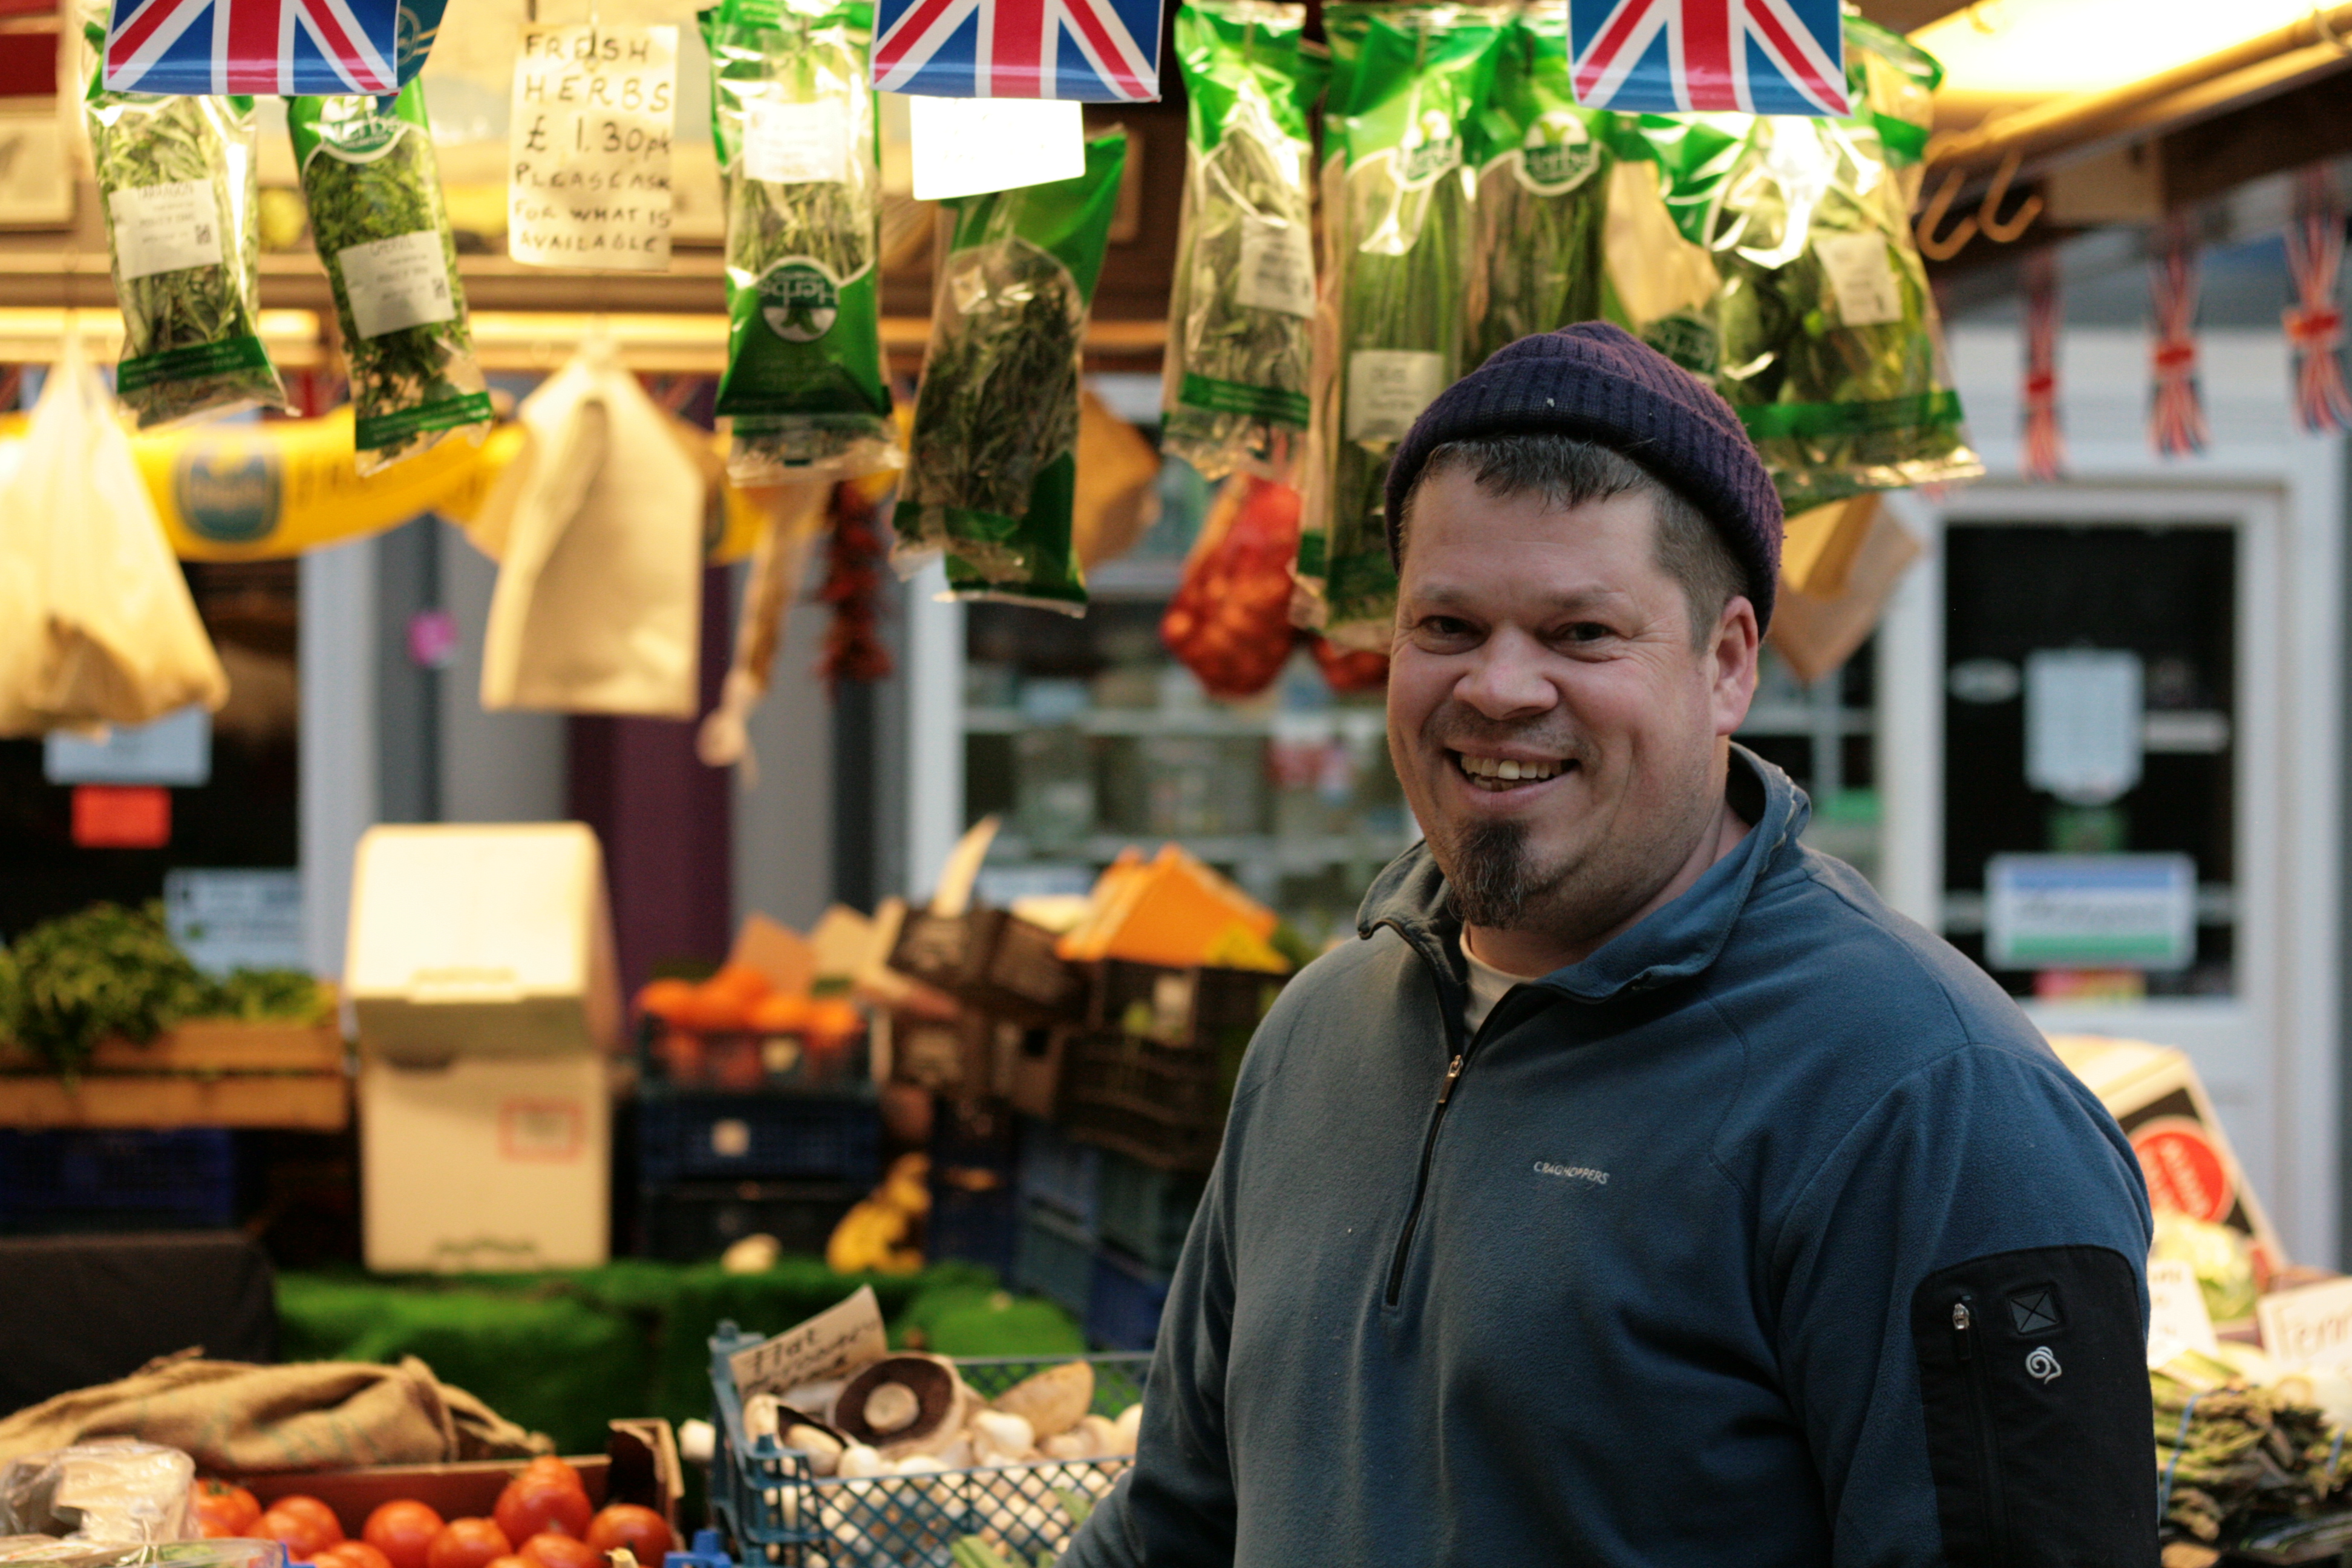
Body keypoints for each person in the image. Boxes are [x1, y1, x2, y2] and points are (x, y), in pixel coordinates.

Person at [1062, 324, 2155, 1567]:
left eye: (1581, 633)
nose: (1499, 688)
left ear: (1727, 664)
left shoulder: (1933, 1103)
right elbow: (1175, 1527)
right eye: (1447, 625)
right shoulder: (1320, 1034)